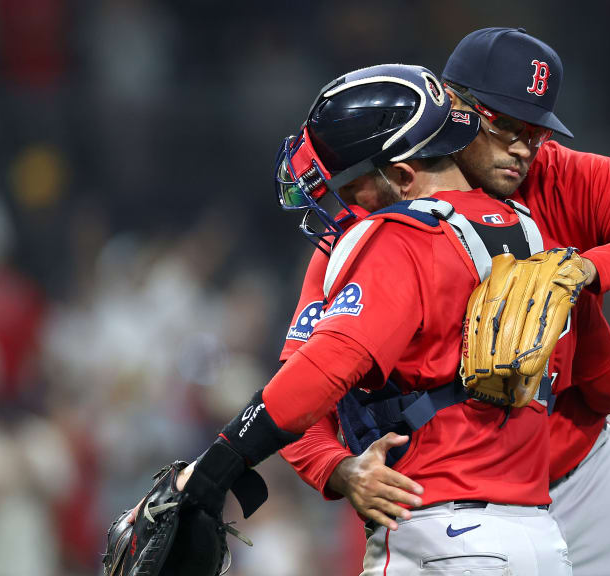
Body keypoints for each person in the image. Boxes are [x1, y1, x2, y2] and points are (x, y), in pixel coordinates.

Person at [280, 28, 610, 576]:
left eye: (536, 129)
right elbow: (304, 380)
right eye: (502, 124)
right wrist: (336, 468)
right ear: (452, 108)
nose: (522, 146)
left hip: (579, 472)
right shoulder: (380, 216)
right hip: (454, 505)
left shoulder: (561, 176)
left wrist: (589, 269)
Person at [171, 63, 588, 575]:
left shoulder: (403, 237)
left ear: (403, 175)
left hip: (444, 539)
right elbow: (603, 384)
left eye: (349, 187)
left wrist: (213, 471)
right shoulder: (534, 235)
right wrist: (339, 469)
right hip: (542, 541)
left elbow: (317, 374)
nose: (339, 205)